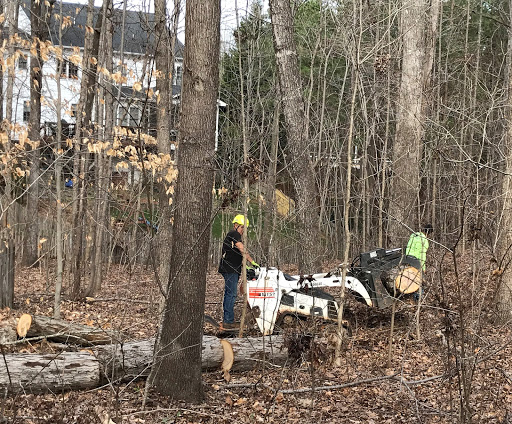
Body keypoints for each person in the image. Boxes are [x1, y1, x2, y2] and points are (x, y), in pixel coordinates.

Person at [218, 214, 259, 329]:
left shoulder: (234, 236)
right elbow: (241, 248)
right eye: (242, 228)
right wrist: (251, 261)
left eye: (244, 229)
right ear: (235, 225)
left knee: (230, 294)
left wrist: (245, 266)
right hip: (229, 269)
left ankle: (228, 320)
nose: (242, 231)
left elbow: (235, 253)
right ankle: (228, 321)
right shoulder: (234, 234)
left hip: (232, 268)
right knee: (231, 294)